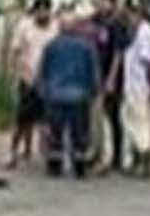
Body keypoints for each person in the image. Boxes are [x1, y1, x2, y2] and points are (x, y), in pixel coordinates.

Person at [35, 10, 101, 178]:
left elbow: (43, 70)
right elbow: (93, 70)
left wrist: (42, 89)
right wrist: (94, 90)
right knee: (79, 132)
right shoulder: (86, 47)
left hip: (55, 95)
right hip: (80, 96)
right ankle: (79, 166)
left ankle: (54, 165)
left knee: (55, 132)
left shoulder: (51, 46)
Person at [5, 0, 53, 167]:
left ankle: (48, 154)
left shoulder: (55, 28)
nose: (43, 14)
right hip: (28, 78)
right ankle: (13, 152)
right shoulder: (24, 27)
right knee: (22, 119)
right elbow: (15, 52)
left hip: (48, 81)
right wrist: (16, 73)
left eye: (46, 10)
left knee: (47, 120)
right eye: (39, 10)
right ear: (35, 11)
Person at [121, 0, 150, 178]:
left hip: (140, 87)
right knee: (129, 120)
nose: (128, 19)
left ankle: (144, 161)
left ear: (138, 14)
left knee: (140, 123)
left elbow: (148, 64)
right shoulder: (138, 33)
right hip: (133, 86)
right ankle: (137, 159)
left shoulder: (145, 34)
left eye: (130, 15)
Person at [91, 0, 133, 173]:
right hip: (98, 73)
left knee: (113, 116)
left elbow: (118, 53)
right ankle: (100, 153)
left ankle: (116, 156)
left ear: (111, 3)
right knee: (102, 115)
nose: (100, 5)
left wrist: (111, 78)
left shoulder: (116, 25)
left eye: (103, 2)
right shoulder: (98, 21)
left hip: (112, 76)